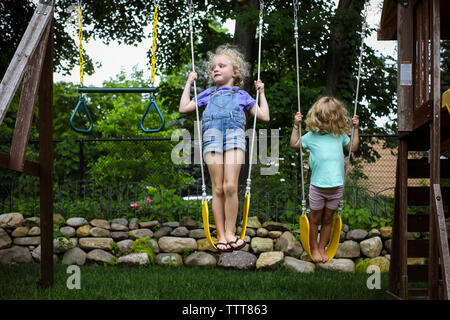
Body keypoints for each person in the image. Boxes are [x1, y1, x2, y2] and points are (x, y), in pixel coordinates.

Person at [179, 45, 270, 253]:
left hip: (235, 138)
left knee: (230, 186)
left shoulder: (243, 95)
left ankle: (231, 232)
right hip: (211, 138)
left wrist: (261, 93)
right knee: (217, 188)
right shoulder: (207, 94)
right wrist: (188, 83)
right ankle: (220, 235)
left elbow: (264, 116)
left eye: (221, 66)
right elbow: (184, 108)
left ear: (235, 72)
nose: (215, 70)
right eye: (213, 68)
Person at [289, 96, 359, 263]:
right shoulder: (311, 136)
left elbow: (353, 148)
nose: (320, 124)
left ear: (334, 120)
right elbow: (295, 144)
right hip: (317, 187)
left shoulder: (339, 136)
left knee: (328, 220)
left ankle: (322, 247)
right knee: (314, 219)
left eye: (325, 121)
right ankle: (314, 248)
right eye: (318, 120)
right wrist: (295, 125)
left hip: (336, 187)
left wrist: (356, 129)